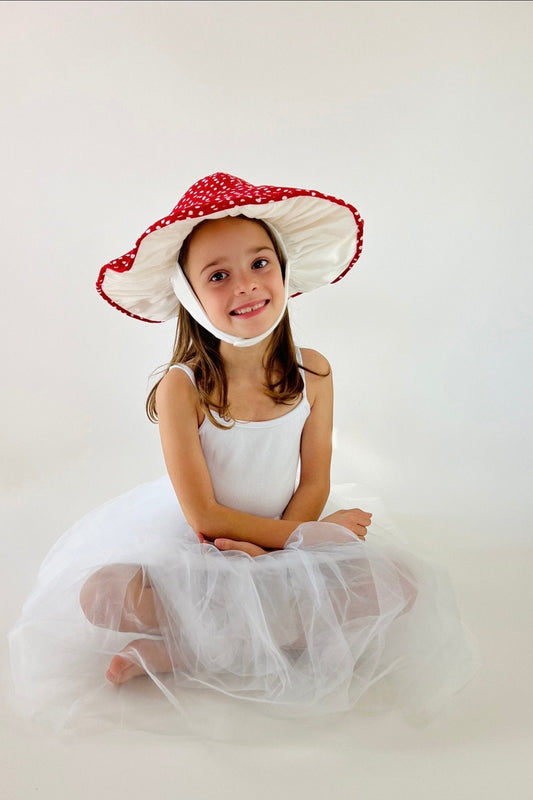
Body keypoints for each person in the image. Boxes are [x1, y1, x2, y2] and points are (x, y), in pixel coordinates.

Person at [8, 172, 477, 733]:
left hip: (285, 533)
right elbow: (204, 515)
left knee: (401, 583)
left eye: (259, 264)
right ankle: (255, 636)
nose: (246, 287)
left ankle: (191, 648)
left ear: (282, 270)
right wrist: (300, 544)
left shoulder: (314, 370)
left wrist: (283, 555)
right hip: (205, 545)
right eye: (218, 276)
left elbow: (312, 483)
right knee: (102, 594)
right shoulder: (183, 387)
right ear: (191, 296)